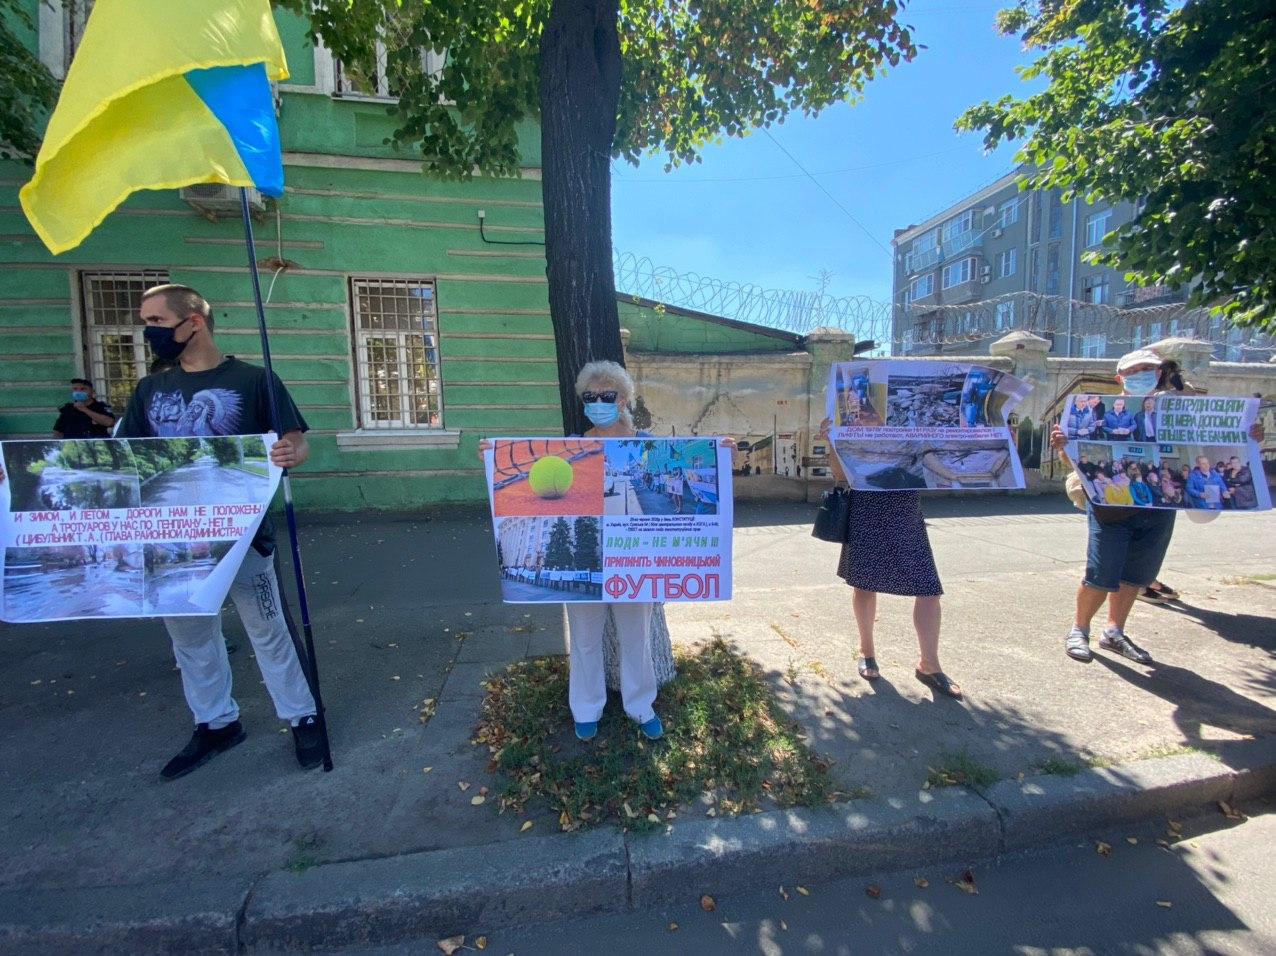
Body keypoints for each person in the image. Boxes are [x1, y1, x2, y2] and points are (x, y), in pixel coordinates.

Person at [114, 284, 322, 779]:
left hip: (244, 539)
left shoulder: (253, 380)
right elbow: (119, 459)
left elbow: (293, 439)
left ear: (194, 322)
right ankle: (216, 723)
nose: (149, 332)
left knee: (268, 630)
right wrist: (22, 476)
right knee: (191, 638)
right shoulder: (150, 390)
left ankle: (302, 716)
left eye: (157, 322)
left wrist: (293, 453)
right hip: (172, 542)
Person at [1051, 348, 1265, 659]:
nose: (1141, 376)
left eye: (1148, 370)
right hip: (1111, 509)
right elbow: (1075, 461)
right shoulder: (1102, 411)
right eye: (1134, 371)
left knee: (1135, 576)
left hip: (1159, 510)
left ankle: (1114, 632)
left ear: (1158, 374)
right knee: (1101, 572)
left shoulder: (1178, 412)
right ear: (1120, 378)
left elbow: (1215, 441)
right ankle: (1079, 630)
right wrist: (1063, 446)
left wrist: (1249, 436)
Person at [817, 417, 962, 699]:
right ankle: (867, 651)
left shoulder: (911, 427)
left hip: (904, 512)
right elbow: (840, 476)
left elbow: (939, 467)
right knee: (864, 585)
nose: (870, 413)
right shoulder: (853, 429)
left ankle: (929, 665)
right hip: (866, 510)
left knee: (929, 589)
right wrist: (831, 441)